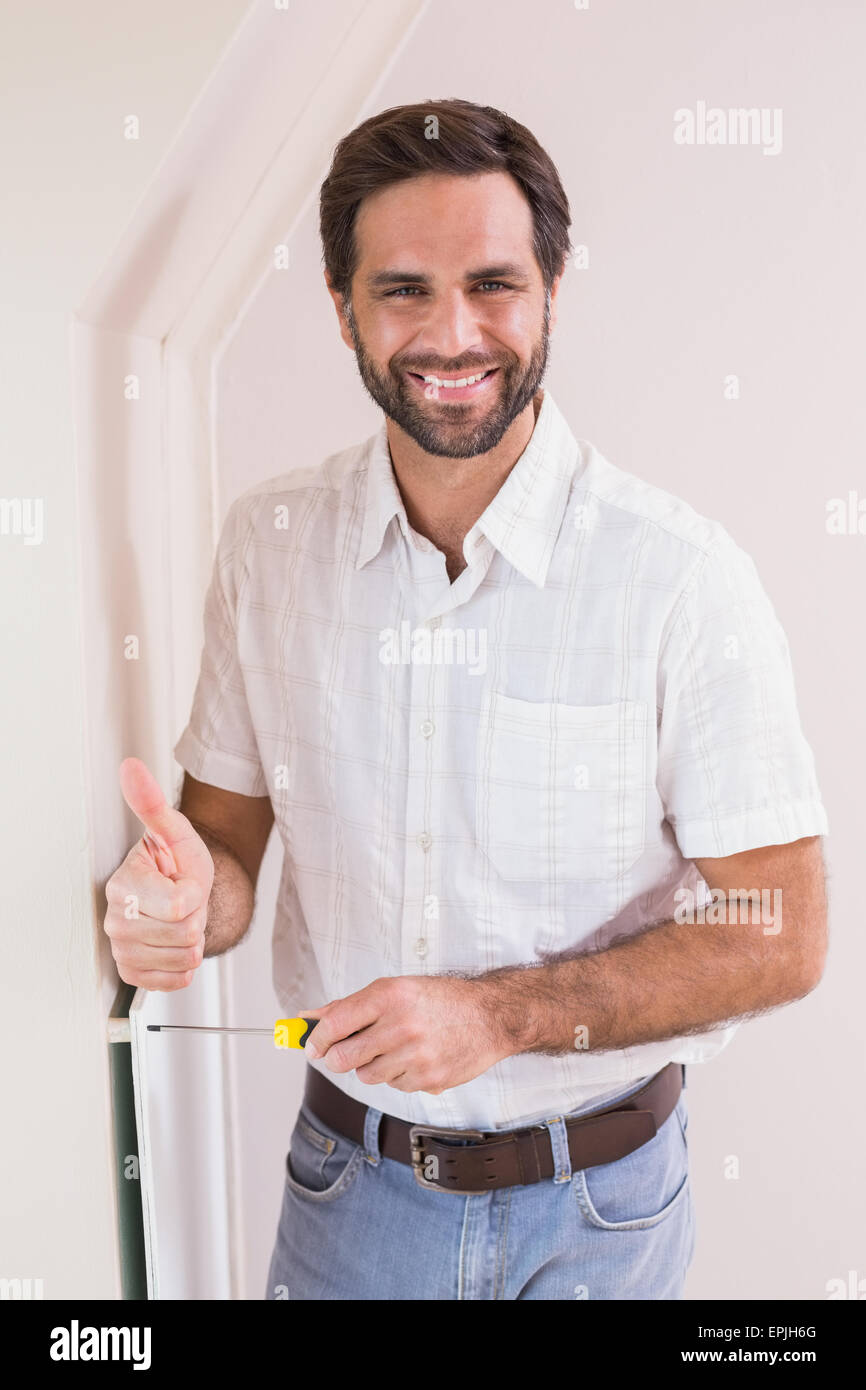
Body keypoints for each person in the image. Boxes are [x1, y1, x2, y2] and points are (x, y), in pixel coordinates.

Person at [104, 99, 829, 1300]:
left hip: (605, 1207)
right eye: (402, 290)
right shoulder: (267, 550)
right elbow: (223, 851)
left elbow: (780, 926)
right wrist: (178, 908)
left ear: (550, 291)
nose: (452, 334)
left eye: (493, 282)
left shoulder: (679, 579)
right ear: (341, 307)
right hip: (351, 1194)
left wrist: (506, 1014)